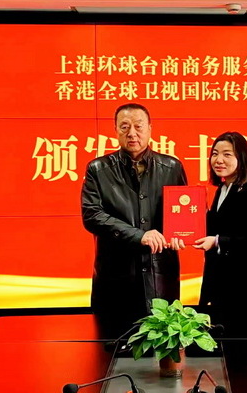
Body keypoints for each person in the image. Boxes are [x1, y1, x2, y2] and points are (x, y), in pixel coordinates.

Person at [81, 103, 187, 326]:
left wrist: (182, 233)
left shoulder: (172, 167)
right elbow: (92, 216)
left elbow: (183, 213)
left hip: (160, 274)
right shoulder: (98, 169)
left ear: (150, 128)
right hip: (116, 276)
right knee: (112, 339)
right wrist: (139, 235)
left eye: (138, 126)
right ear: (115, 130)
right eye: (125, 127)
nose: (132, 133)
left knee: (162, 340)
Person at [193, 131, 247, 315]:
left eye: (227, 154)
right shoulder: (223, 188)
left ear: (241, 158)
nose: (219, 160)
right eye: (215, 154)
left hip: (243, 290)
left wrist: (218, 241)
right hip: (220, 285)